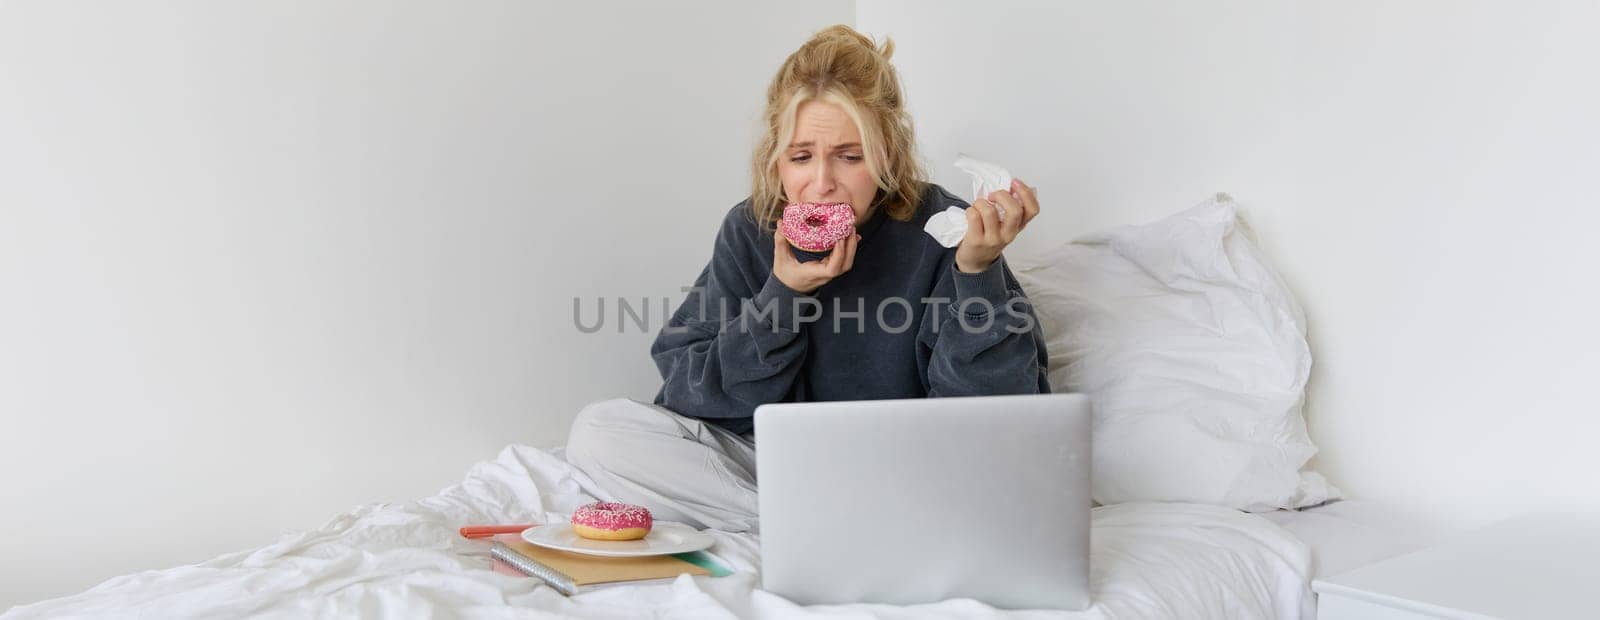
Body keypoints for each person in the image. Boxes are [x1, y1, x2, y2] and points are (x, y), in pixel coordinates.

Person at [565, 25, 1048, 533]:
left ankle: (827, 523)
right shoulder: (751, 229)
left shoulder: (945, 228)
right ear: (775, 161)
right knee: (599, 432)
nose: (821, 183)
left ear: (888, 152)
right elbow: (688, 395)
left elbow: (999, 416)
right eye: (801, 158)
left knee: (992, 476)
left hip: (904, 470)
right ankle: (829, 526)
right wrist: (783, 297)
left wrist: (977, 271)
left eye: (850, 155)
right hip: (778, 471)